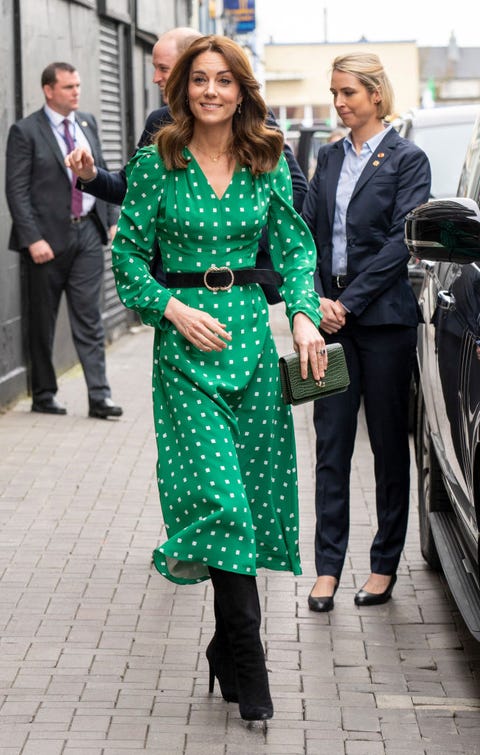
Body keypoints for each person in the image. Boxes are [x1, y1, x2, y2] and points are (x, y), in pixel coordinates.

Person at [110, 34, 326, 722]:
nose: (209, 90)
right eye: (198, 79)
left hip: (252, 350)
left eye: (222, 80)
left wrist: (301, 317)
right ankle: (250, 660)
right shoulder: (156, 164)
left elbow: (294, 248)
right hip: (184, 349)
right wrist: (170, 307)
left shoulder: (266, 158)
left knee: (252, 505)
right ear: (183, 89)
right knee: (223, 503)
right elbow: (127, 260)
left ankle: (221, 647)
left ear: (241, 90)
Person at [302, 52, 431, 613]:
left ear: (376, 95)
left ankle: (383, 566)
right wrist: (312, 303)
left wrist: (345, 304)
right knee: (330, 445)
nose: (338, 102)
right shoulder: (327, 158)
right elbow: (304, 236)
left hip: (381, 324)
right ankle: (327, 568)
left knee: (385, 446)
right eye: (334, 92)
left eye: (348, 92)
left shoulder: (408, 159)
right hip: (328, 326)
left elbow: (399, 243)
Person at [64, 27, 308, 304]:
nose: (156, 78)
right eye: (200, 80)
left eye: (163, 68)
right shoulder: (159, 125)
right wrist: (90, 175)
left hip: (243, 286)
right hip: (176, 285)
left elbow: (294, 195)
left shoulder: (254, 121)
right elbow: (134, 192)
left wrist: (236, 241)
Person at [5, 62, 122, 419]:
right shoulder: (25, 131)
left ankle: (99, 396)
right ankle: (43, 393)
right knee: (43, 319)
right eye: (68, 87)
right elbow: (17, 190)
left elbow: (101, 171)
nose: (76, 92)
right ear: (48, 90)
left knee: (90, 317)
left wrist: (112, 220)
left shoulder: (87, 122)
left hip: (87, 231)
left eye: (78, 85)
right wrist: (33, 238)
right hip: (46, 241)